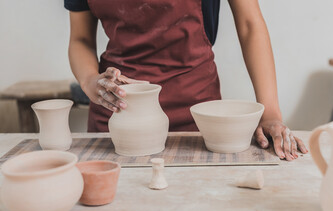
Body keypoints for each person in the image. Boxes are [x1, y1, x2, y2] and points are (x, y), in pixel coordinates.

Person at [65, 0, 308, 160]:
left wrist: (271, 115)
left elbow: (249, 25)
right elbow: (80, 39)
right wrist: (90, 80)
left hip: (198, 115)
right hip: (118, 112)